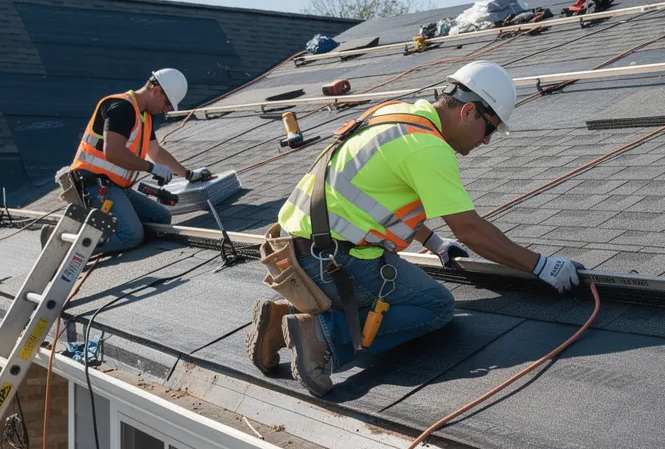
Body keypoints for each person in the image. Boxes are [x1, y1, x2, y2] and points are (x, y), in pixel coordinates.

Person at [247, 61, 585, 397]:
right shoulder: (429, 148)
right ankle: (322, 335)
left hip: (288, 250)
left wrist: (435, 242)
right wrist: (542, 266)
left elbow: (377, 194)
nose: (485, 141)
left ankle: (282, 318)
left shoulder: (394, 114)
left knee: (396, 287)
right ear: (469, 112)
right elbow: (470, 229)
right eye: (490, 129)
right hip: (331, 262)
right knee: (435, 307)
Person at [59, 68, 211, 253]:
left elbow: (155, 151)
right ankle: (66, 246)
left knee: (161, 219)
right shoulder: (121, 108)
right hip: (94, 185)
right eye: (168, 103)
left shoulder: (144, 117)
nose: (167, 109)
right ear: (155, 91)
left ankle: (104, 229)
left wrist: (188, 174)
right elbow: (112, 152)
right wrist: (151, 168)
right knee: (131, 235)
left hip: (116, 188)